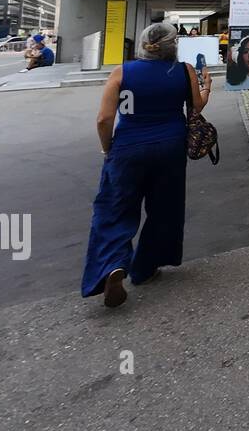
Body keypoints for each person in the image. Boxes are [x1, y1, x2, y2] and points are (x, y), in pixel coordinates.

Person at [82, 22, 209, 307]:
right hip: (171, 147)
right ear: (173, 45)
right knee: (164, 209)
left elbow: (103, 119)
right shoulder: (183, 70)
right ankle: (146, 267)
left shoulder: (122, 72)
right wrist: (207, 88)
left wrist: (107, 149)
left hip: (127, 148)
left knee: (115, 209)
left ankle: (112, 265)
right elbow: (196, 107)